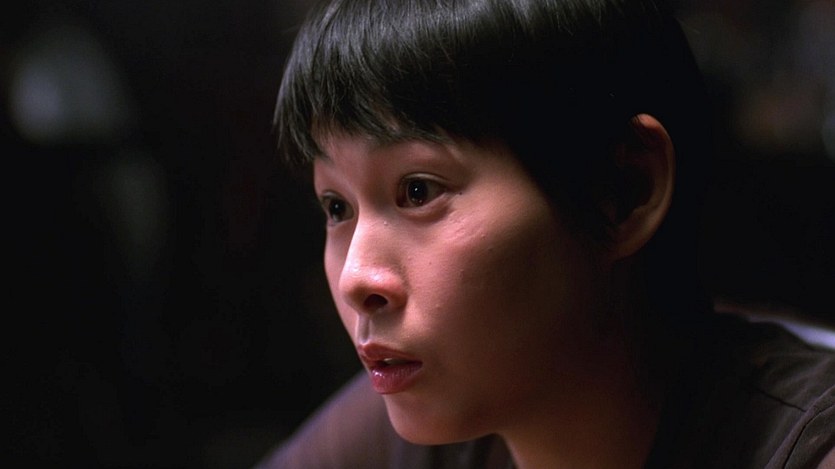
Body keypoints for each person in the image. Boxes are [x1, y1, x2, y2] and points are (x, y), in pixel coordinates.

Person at [257, 0, 835, 467]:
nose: (356, 278)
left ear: (623, 191)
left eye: (417, 191)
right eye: (337, 206)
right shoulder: (405, 423)